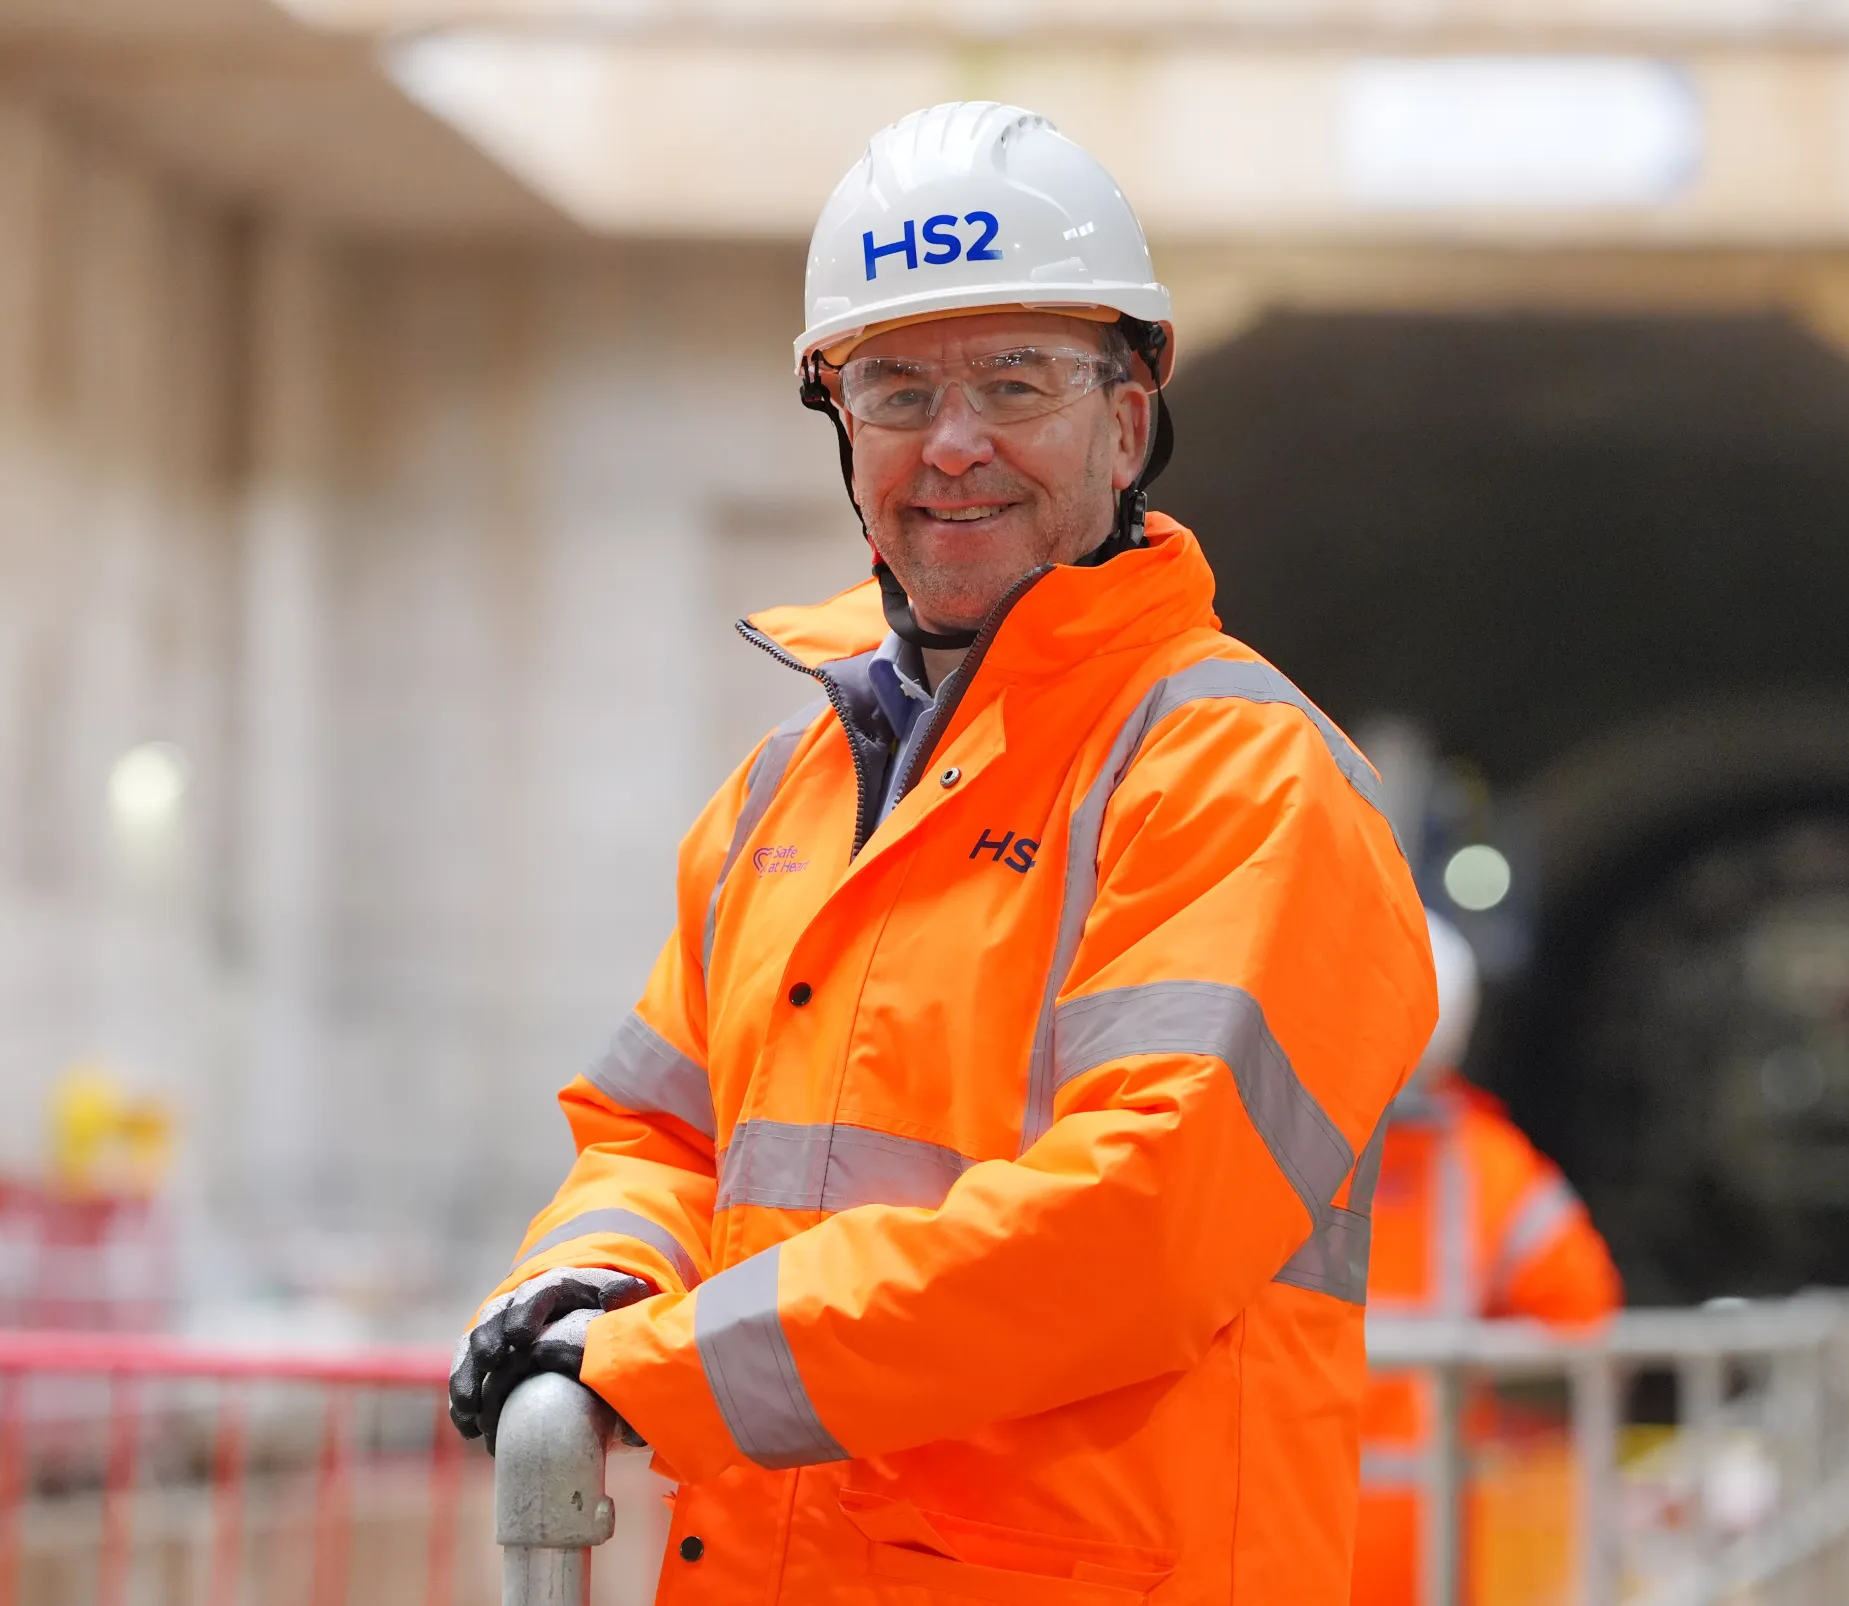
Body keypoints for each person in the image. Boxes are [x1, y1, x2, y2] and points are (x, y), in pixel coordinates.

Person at [448, 101, 1434, 1603]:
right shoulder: (788, 792)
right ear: (839, 424)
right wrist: (595, 1272)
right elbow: (657, 1134)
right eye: (896, 388)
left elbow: (1135, 1229)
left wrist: (671, 1362)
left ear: (1127, 413)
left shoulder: (1243, 779)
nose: (952, 445)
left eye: (1014, 382)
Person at [1353, 911, 1623, 1606]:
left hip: (1276, 1527)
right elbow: (1585, 1317)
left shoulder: (1268, 1137)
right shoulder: (1490, 1165)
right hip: (1430, 1537)